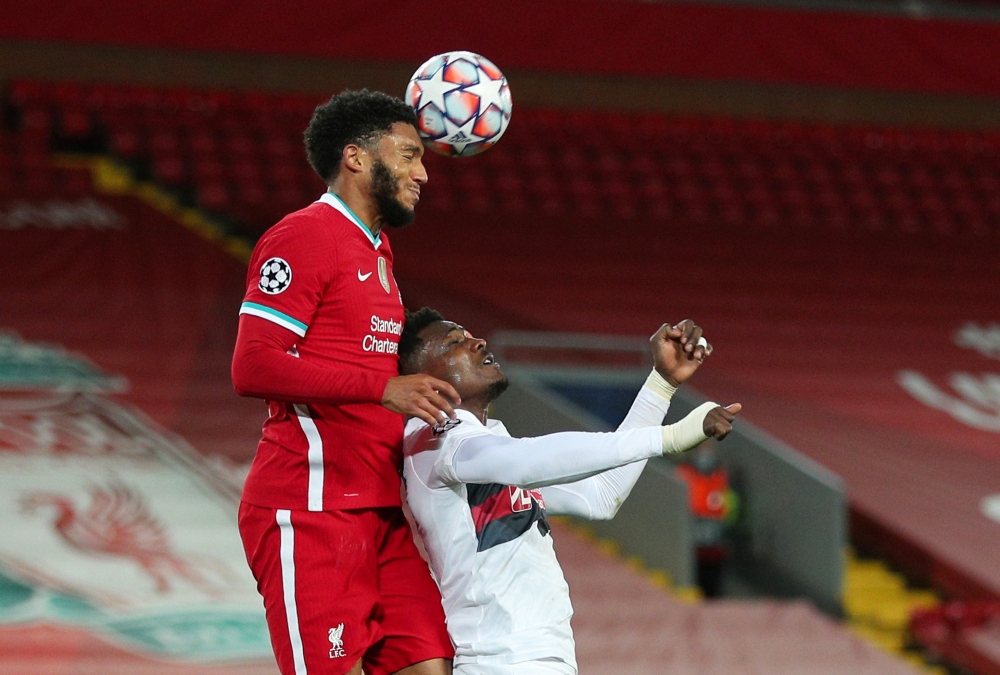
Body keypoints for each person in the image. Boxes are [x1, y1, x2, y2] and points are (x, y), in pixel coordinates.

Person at [231, 90, 459, 675]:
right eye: (409, 155)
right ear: (356, 158)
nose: (423, 174)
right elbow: (253, 365)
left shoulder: (377, 248)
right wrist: (383, 389)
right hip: (308, 510)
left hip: (379, 510)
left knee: (432, 666)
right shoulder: (304, 236)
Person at [398, 308, 741, 675]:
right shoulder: (432, 438)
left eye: (469, 335)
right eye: (455, 343)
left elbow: (601, 494)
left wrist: (661, 386)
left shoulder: (487, 441)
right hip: (500, 662)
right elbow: (524, 462)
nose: (477, 341)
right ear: (425, 382)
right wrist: (669, 437)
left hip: (538, 660)